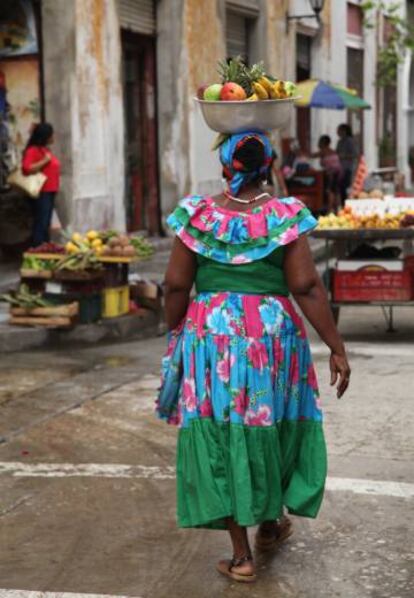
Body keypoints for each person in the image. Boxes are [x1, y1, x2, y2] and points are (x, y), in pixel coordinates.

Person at [157, 131, 350, 583]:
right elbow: (305, 286)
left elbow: (176, 285)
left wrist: (177, 329)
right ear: (268, 167)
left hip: (213, 338)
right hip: (273, 336)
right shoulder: (283, 215)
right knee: (271, 421)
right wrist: (336, 346)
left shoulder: (198, 216)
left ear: (226, 167)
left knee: (224, 430)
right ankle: (270, 523)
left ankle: (242, 555)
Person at [22, 122, 60, 246]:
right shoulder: (33, 150)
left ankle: (45, 249)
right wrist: (44, 161)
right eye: (51, 134)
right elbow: (27, 168)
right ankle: (38, 250)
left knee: (46, 223)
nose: (53, 136)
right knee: (41, 223)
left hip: (50, 191)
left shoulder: (44, 149)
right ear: (45, 136)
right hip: (42, 191)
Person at [312, 135, 342, 212]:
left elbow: (311, 156)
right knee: (336, 190)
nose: (318, 144)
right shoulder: (332, 151)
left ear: (323, 143)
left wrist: (299, 152)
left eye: (319, 142)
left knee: (330, 190)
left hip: (332, 173)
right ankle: (337, 208)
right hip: (338, 172)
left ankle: (330, 209)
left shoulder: (324, 151)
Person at [336, 124, 357, 203]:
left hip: (348, 167)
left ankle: (347, 202)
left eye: (339, 130)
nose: (337, 132)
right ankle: (342, 202)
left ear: (344, 131)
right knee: (341, 187)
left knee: (346, 186)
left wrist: (344, 156)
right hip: (340, 167)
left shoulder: (350, 141)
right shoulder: (340, 142)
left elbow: (355, 154)